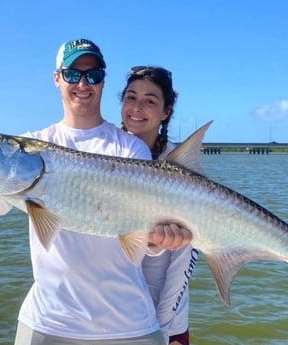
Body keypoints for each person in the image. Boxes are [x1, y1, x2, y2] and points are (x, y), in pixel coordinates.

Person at [0, 39, 192, 345]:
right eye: (73, 74)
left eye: (93, 75)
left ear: (103, 80)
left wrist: (160, 241)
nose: (83, 83)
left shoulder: (130, 148)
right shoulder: (33, 141)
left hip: (128, 324)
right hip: (48, 321)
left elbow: (140, 234)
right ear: (57, 78)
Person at [120, 66, 196, 345]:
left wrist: (163, 330)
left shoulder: (179, 167)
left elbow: (184, 262)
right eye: (130, 97)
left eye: (150, 101)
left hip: (166, 319)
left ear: (166, 111)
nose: (137, 108)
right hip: (110, 317)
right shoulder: (100, 154)